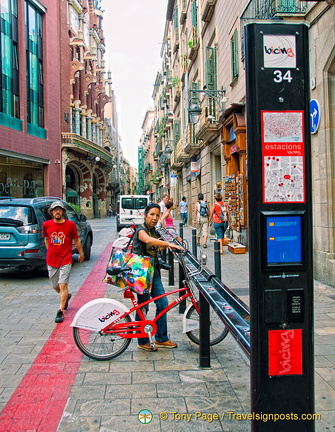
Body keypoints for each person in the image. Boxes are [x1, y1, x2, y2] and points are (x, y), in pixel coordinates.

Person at [131, 203, 184, 351]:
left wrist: (174, 242)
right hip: (141, 274)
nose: (154, 218)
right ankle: (142, 341)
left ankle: (161, 337)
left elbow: (158, 243)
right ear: (145, 215)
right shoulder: (141, 230)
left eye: (157, 215)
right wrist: (167, 244)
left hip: (154, 274)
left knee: (162, 303)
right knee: (143, 307)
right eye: (152, 214)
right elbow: (147, 240)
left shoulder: (154, 231)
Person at [42, 201, 85, 323]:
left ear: (63, 212)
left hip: (66, 259)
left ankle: (60, 311)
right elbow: (46, 239)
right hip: (51, 259)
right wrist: (50, 250)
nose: (57, 212)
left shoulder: (70, 225)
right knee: (55, 286)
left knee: (63, 285)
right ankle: (66, 296)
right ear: (51, 212)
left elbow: (76, 240)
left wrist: (81, 253)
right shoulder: (46, 225)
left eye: (59, 210)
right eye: (55, 210)